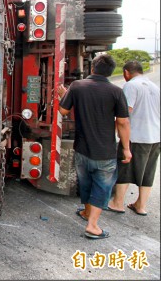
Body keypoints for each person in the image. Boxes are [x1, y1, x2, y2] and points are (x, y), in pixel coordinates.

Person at [57, 53, 131, 240]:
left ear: (92, 68)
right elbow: (122, 122)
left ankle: (86, 212)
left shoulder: (77, 86)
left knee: (86, 183)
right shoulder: (116, 91)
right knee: (102, 187)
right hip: (105, 150)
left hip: (82, 147)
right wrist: (126, 148)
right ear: (111, 72)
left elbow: (63, 110)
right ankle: (92, 225)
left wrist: (63, 95)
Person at [108, 60, 160, 216]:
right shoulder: (155, 87)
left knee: (125, 169)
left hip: (136, 136)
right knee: (148, 172)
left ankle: (117, 203)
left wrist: (115, 132)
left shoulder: (131, 86)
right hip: (155, 137)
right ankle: (140, 205)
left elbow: (125, 114)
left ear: (126, 73)